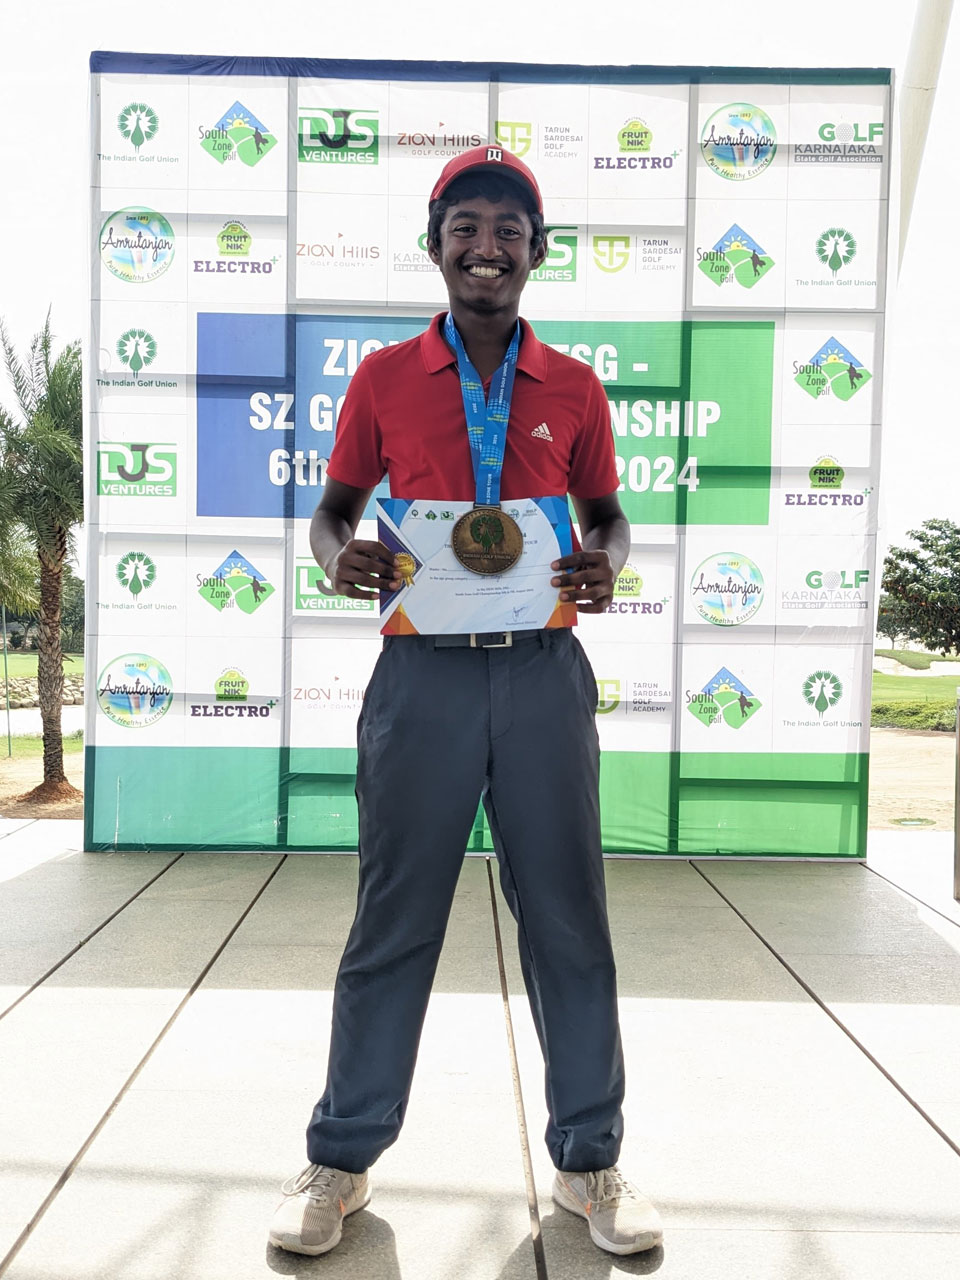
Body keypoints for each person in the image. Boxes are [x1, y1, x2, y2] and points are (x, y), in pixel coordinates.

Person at [268, 145, 663, 1259]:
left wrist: (605, 560)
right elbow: (335, 510)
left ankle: (591, 1160)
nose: (487, 245)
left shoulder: (574, 385)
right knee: (392, 922)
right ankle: (339, 1161)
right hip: (423, 679)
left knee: (570, 924)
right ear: (436, 242)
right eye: (467, 224)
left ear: (537, 251)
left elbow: (611, 515)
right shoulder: (387, 377)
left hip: (540, 673)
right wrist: (337, 554)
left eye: (509, 228)